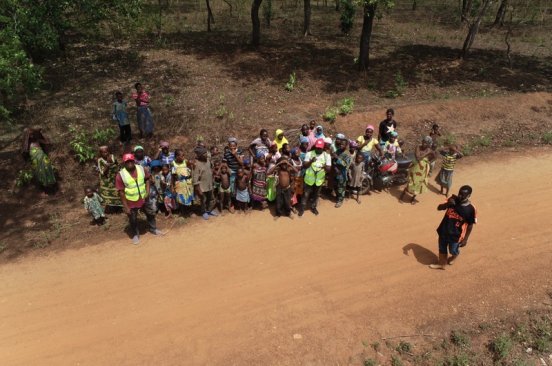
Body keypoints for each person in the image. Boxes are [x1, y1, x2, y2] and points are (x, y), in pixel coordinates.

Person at [116, 153, 163, 244]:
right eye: (127, 161)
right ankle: (135, 235)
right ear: (124, 163)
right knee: (132, 218)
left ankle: (153, 229)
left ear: (134, 161)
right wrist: (126, 206)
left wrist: (147, 191)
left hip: (144, 198)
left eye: (131, 161)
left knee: (150, 214)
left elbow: (147, 179)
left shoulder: (141, 168)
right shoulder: (120, 175)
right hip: (131, 200)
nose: (129, 163)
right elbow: (121, 192)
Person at [429, 185, 477, 270]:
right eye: (459, 193)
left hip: (456, 235)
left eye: (463, 195)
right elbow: (439, 208)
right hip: (444, 230)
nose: (460, 196)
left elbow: (470, 225)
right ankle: (442, 264)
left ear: (469, 196)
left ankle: (455, 256)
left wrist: (465, 239)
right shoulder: (453, 199)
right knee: (442, 248)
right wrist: (447, 204)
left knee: (453, 250)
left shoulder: (471, 209)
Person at [300, 138, 331, 216]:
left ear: (323, 147)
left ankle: (313, 207)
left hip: (319, 180)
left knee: (316, 195)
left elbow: (329, 169)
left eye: (320, 148)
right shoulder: (309, 154)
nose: (318, 149)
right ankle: (302, 209)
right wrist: (311, 161)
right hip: (309, 179)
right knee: (305, 195)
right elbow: (304, 165)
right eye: (317, 147)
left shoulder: (327, 156)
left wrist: (324, 166)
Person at [400, 136, 435, 204]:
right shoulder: (418, 147)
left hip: (422, 170)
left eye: (425, 142)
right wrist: (427, 153)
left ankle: (413, 198)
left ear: (428, 144)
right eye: (423, 141)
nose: (423, 143)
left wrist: (428, 161)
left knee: (419, 184)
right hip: (415, 168)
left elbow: (434, 156)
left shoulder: (430, 150)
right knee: (411, 183)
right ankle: (402, 196)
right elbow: (418, 157)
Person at [21, 128, 57, 194]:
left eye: (32, 134)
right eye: (30, 134)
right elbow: (24, 152)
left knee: (47, 167)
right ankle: (45, 186)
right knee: (40, 171)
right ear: (27, 136)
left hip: (42, 156)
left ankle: (50, 184)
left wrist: (42, 134)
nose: (32, 135)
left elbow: (47, 142)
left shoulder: (37, 140)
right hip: (35, 159)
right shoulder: (27, 144)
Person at [193, 146, 217, 220]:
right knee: (203, 200)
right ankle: (203, 212)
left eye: (206, 153)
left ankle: (209, 210)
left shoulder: (207, 160)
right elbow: (195, 178)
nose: (206, 155)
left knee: (210, 198)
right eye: (204, 154)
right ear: (200, 155)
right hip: (202, 186)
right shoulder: (197, 165)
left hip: (209, 184)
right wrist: (198, 189)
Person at [332, 134, 351, 208]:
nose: (341, 145)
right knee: (335, 186)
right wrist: (335, 167)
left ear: (346, 146)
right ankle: (337, 197)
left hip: (342, 174)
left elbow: (345, 164)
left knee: (341, 188)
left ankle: (340, 200)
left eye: (343, 144)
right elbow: (334, 160)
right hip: (336, 172)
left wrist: (337, 159)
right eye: (340, 144)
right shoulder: (338, 151)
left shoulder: (347, 154)